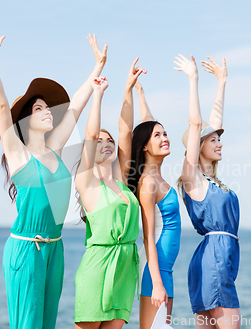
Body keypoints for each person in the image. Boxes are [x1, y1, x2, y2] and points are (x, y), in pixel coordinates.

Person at [0, 25, 107, 329]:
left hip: (54, 247)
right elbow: (0, 105)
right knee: (28, 323)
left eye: (48, 108)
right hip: (25, 248)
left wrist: (98, 67)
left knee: (47, 323)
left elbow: (76, 105)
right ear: (26, 119)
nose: (48, 111)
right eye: (39, 108)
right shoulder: (18, 154)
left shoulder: (55, 149)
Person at [74, 59, 145, 329]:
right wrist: (98, 95)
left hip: (124, 269)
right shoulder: (86, 182)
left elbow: (126, 131)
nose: (106, 143)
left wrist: (128, 88)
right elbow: (90, 135)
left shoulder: (121, 181)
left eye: (109, 141)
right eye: (100, 142)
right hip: (98, 265)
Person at [175, 54, 240, 329]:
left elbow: (212, 123)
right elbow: (196, 125)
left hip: (216, 259)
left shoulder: (213, 180)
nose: (220, 144)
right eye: (213, 140)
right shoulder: (193, 179)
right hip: (214, 261)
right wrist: (193, 80)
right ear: (198, 146)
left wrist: (222, 83)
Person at [127, 79, 182, 329]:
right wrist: (157, 282)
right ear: (145, 147)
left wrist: (141, 92)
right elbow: (148, 236)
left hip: (165, 269)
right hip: (155, 269)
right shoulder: (148, 183)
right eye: (158, 135)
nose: (165, 138)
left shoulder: (158, 176)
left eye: (165, 133)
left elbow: (147, 125)